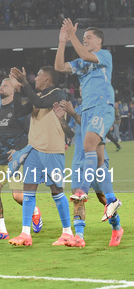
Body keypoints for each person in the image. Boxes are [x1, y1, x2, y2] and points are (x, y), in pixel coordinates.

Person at [54, 20, 122, 224]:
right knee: (99, 160)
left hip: (102, 105)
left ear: (99, 40)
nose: (84, 39)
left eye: (88, 37)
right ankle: (111, 201)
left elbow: (84, 54)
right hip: (89, 108)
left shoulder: (104, 55)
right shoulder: (81, 63)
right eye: (83, 38)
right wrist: (62, 41)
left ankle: (82, 189)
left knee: (88, 145)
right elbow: (59, 67)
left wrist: (72, 35)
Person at [7, 66, 73, 247]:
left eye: (38, 75)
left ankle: (67, 232)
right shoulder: (37, 96)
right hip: (34, 148)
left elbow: (40, 102)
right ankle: (25, 233)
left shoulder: (58, 94)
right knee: (28, 189)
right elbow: (20, 111)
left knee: (56, 191)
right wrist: (18, 91)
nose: (35, 78)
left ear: (47, 78)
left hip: (52, 149)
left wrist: (24, 83)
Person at [0, 78, 41, 241]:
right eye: (0, 84)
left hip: (16, 159)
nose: (1, 87)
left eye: (5, 85)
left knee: (17, 196)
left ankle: (35, 211)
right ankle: (1, 230)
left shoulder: (19, 109)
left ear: (13, 91)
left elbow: (29, 132)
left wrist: (18, 150)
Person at [60, 98, 122, 247]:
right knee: (77, 199)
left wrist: (74, 114)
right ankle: (79, 236)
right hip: (78, 162)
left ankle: (116, 228)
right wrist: (61, 119)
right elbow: (71, 132)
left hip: (97, 159)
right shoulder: (78, 108)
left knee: (103, 198)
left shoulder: (100, 110)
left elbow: (94, 130)